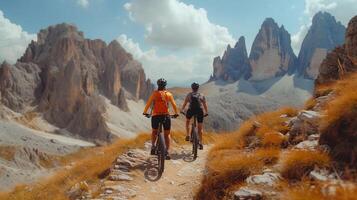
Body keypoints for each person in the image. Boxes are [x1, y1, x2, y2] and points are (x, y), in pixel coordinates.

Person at [143, 78, 179, 160]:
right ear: (165, 86)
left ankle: (153, 146)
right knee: (167, 134)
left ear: (158, 85)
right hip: (166, 116)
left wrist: (145, 112)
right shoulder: (169, 94)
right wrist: (176, 113)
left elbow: (148, 104)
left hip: (155, 116)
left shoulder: (154, 94)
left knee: (154, 131)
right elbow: (174, 105)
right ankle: (167, 152)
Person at [181, 82, 208, 150]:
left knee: (187, 121)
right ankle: (201, 143)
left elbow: (185, 103)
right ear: (198, 88)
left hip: (191, 111)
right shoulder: (201, 95)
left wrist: (182, 110)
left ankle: (188, 135)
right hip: (199, 111)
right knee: (200, 128)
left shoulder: (189, 95)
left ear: (192, 88)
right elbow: (204, 104)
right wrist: (206, 112)